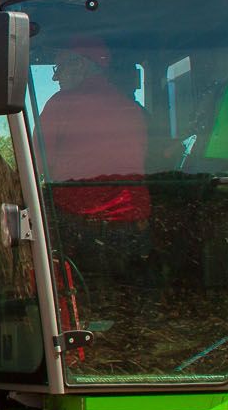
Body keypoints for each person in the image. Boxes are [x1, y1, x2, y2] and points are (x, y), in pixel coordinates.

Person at [36, 35, 151, 275]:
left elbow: (35, 166)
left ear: (80, 65)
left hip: (82, 230)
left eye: (60, 67)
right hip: (135, 230)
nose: (56, 77)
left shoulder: (61, 105)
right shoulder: (133, 109)